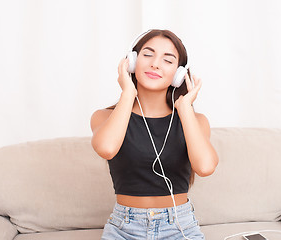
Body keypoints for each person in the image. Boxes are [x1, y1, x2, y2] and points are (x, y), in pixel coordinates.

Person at [90, 29, 219, 240]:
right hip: (124, 228)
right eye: (147, 55)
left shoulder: (196, 121)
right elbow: (106, 148)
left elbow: (205, 167)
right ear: (131, 62)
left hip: (179, 226)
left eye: (168, 60)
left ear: (179, 74)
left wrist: (185, 108)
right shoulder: (104, 117)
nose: (155, 64)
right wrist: (128, 93)